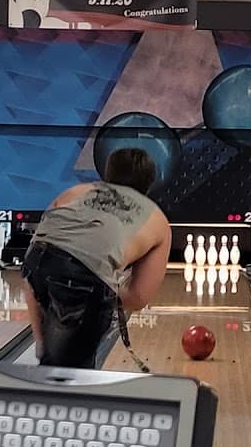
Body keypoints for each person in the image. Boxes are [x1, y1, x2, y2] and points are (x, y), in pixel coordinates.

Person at [22, 148, 171, 369]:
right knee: (71, 375)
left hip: (37, 262)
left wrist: (41, 341)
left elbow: (36, 264)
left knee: (55, 364)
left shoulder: (75, 192)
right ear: (151, 182)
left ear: (106, 173)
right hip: (85, 276)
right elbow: (138, 297)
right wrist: (109, 293)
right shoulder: (158, 220)